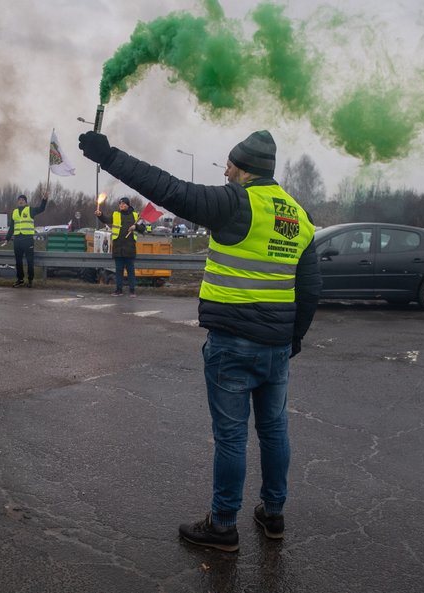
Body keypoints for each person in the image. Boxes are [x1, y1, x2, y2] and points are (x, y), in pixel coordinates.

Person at [79, 129, 321, 552]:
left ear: (245, 169)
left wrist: (111, 157)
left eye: (230, 164)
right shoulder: (298, 216)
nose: (225, 171)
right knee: (274, 431)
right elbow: (311, 287)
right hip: (277, 347)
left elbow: (169, 189)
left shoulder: (235, 201)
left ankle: (223, 525)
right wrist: (293, 338)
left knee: (231, 438)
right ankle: (273, 514)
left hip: (232, 344)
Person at [96, 196, 145, 296]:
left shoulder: (136, 216)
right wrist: (100, 215)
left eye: (124, 204)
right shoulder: (116, 214)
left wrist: (135, 226)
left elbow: (143, 228)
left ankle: (132, 291)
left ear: (128, 205)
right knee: (118, 271)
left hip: (130, 248)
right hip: (118, 248)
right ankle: (119, 290)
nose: (121, 205)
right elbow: (106, 219)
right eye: (120, 204)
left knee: (131, 271)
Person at [3, 193, 47, 287]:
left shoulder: (30, 210)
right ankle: (20, 279)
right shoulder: (14, 212)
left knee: (29, 261)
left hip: (28, 240)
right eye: (19, 199)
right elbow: (12, 227)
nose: (21, 201)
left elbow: (41, 209)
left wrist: (44, 200)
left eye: (23, 199)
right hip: (17, 240)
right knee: (18, 262)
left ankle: (30, 280)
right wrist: (7, 238)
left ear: (26, 202)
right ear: (17, 202)